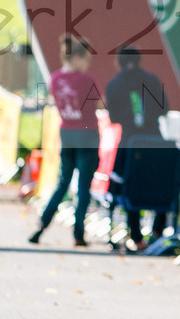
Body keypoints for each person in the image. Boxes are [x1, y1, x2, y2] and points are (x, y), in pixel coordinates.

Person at [29, 34, 104, 247]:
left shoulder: (55, 79)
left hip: (67, 134)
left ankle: (42, 224)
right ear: (77, 58)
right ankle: (78, 233)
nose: (88, 64)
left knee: (62, 182)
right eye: (86, 59)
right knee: (83, 187)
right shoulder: (87, 80)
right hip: (87, 135)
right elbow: (100, 105)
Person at [105, 46, 170, 252]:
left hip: (129, 143)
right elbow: (165, 108)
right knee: (160, 184)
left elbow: (114, 118)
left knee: (129, 186)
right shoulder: (151, 80)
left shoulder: (114, 84)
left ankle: (136, 235)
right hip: (154, 141)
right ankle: (158, 231)